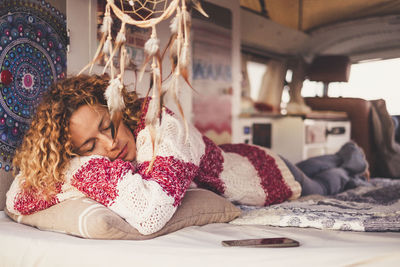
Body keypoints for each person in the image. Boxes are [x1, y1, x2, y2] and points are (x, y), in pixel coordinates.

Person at [6, 74, 369, 235]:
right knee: (315, 169)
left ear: (117, 107)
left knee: (326, 182)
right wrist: (69, 164)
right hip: (243, 159)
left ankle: (353, 159)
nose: (109, 145)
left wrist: (79, 167)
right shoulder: (100, 159)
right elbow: (18, 198)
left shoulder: (162, 123)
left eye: (108, 125)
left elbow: (150, 213)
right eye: (89, 147)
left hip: (264, 173)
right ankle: (346, 159)